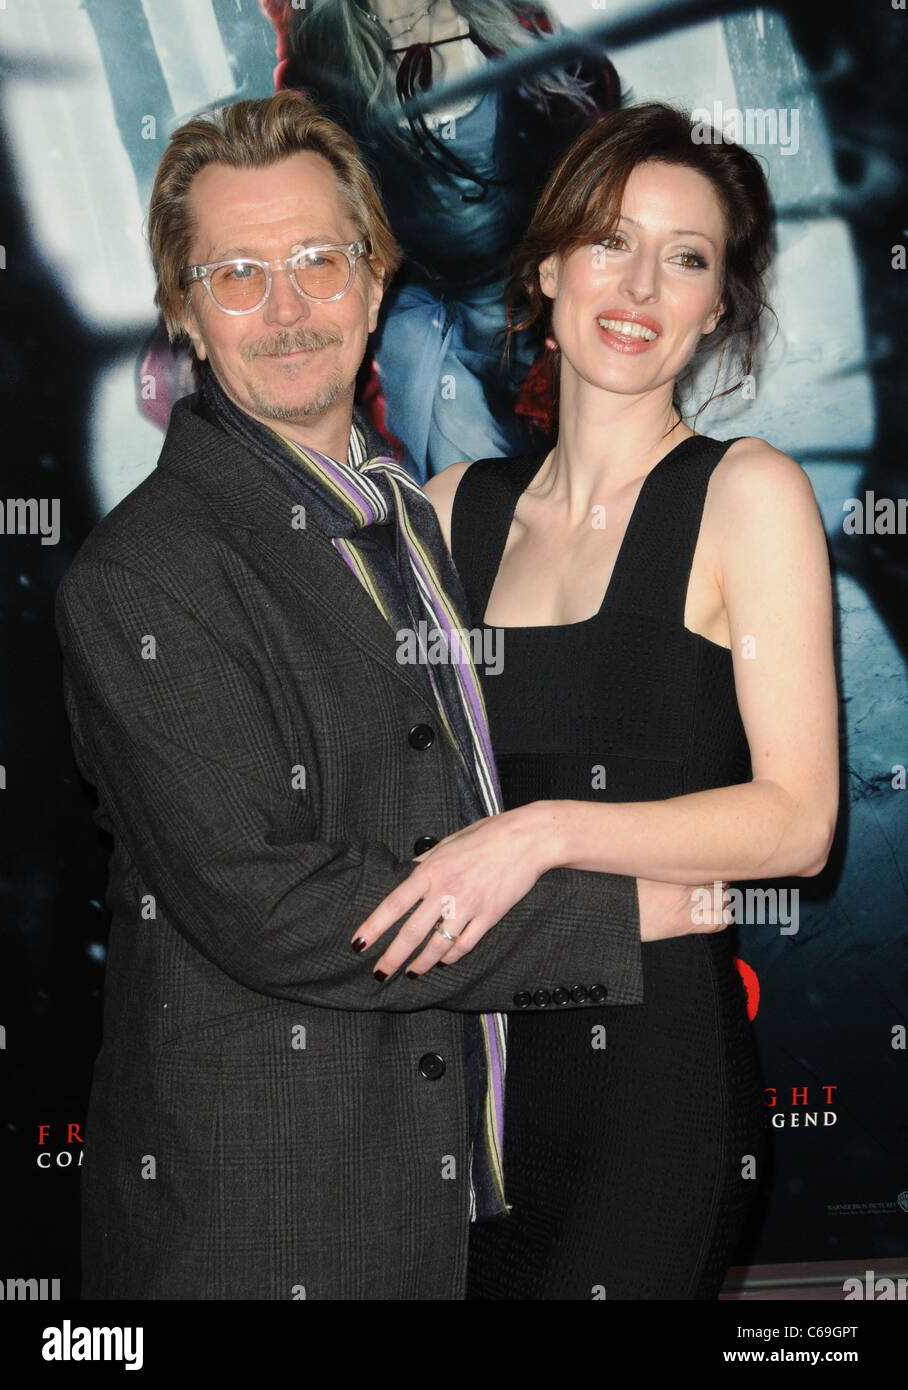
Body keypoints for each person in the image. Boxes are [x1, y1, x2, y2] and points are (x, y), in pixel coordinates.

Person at [55, 93, 723, 1301]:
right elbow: (269, 905)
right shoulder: (146, 571)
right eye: (238, 273)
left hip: (441, 1197)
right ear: (184, 315)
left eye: (318, 260)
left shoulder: (411, 514)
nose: (288, 307)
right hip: (264, 1220)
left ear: (375, 283)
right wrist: (619, 914)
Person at [358, 102, 839, 1298]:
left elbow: (796, 822)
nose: (639, 286)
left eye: (686, 257)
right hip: (460, 1102)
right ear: (547, 266)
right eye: (610, 241)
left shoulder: (746, 495)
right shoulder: (455, 504)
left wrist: (543, 830)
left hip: (655, 1095)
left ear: (718, 305)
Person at [262, 0, 620, 479]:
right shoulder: (326, 64)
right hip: (419, 311)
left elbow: (600, 155)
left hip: (531, 298)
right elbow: (306, 211)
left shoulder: (512, 26)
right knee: (456, 425)